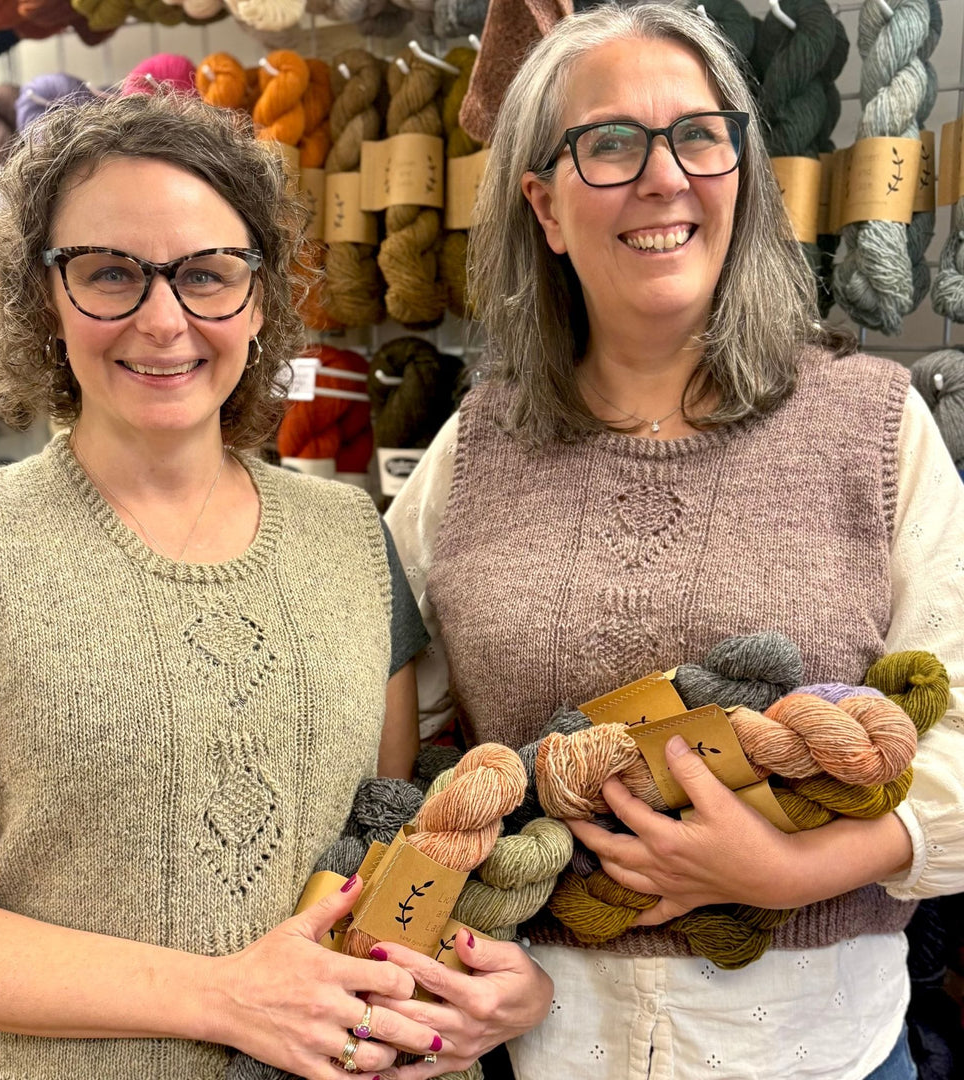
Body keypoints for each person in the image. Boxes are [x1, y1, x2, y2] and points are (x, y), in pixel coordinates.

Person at [0, 90, 550, 1080]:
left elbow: (390, 846)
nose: (164, 320)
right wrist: (223, 997)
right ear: (41, 295)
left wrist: (502, 986)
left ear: (261, 297)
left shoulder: (352, 540)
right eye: (110, 273)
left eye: (206, 274)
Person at [385, 5, 964, 1080]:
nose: (665, 179)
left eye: (699, 136)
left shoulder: (874, 427)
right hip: (539, 1050)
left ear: (741, 175)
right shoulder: (475, 450)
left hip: (821, 1054)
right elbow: (384, 752)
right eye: (609, 144)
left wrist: (804, 869)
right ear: (543, 206)